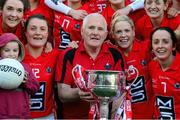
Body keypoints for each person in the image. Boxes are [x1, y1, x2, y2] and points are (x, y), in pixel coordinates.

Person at [55, 13, 126, 119]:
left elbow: (121, 91)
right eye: (91, 28)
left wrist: (113, 116)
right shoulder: (68, 54)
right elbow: (62, 94)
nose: (95, 33)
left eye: (100, 29)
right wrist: (79, 93)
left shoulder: (116, 54)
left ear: (106, 34)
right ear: (82, 32)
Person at [110, 15, 154, 119]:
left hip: (148, 114)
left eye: (127, 30)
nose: (123, 35)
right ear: (113, 35)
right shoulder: (110, 53)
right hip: (121, 115)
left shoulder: (147, 48)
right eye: (118, 32)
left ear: (133, 32)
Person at [22, 14, 59, 119]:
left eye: (42, 29)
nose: (38, 33)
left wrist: (73, 45)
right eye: (33, 28)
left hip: (47, 116)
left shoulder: (56, 55)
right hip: (19, 115)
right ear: (25, 32)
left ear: (47, 34)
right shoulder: (16, 54)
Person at [0, 33, 39, 118]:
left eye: (15, 50)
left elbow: (35, 88)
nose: (11, 54)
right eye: (6, 50)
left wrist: (26, 81)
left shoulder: (24, 68)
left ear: (19, 51)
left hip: (21, 114)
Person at [149, 27, 180, 119]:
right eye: (156, 42)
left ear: (173, 46)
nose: (160, 46)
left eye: (165, 42)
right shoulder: (152, 66)